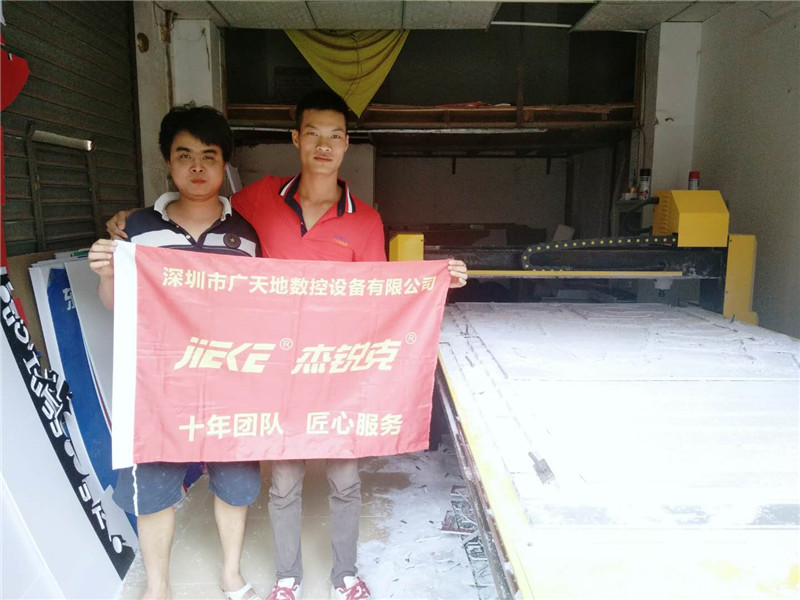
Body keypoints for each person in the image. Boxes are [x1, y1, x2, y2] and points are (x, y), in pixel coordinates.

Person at [107, 89, 469, 600]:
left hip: (339, 372)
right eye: (313, 134)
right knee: (283, 482)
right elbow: (203, 206)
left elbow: (380, 295)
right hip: (275, 373)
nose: (324, 145)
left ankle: (346, 575)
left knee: (345, 479)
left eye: (335, 136)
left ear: (346, 144)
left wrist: (436, 280)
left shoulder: (365, 220)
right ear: (296, 139)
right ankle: (286, 577)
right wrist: (132, 220)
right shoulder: (259, 200)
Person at [90, 106, 264, 600]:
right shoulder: (137, 229)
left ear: (225, 163)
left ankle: (230, 573)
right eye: (184, 155)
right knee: (153, 490)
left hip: (229, 379)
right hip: (157, 384)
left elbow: (260, 309)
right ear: (168, 162)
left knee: (234, 483)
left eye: (209, 155)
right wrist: (108, 273)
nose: (197, 167)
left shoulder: (246, 235)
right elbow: (116, 305)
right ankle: (159, 586)